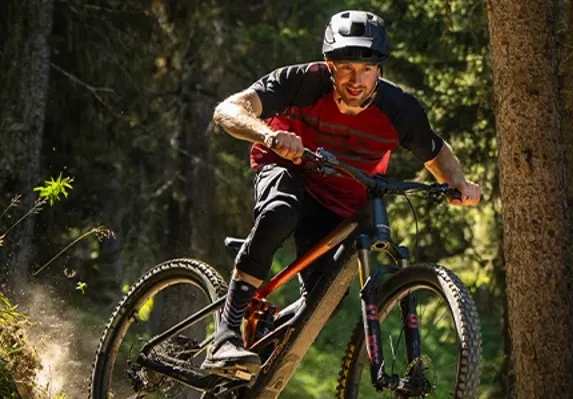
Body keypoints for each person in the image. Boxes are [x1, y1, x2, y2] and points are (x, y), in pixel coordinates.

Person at [203, 10, 481, 377]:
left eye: (367, 69)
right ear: (329, 64)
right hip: (288, 171)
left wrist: (458, 183)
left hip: (339, 200)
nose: (356, 79)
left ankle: (254, 363)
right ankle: (223, 337)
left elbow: (435, 151)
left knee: (324, 300)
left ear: (379, 69)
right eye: (347, 66)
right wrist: (269, 135)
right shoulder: (301, 82)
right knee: (280, 211)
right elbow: (228, 111)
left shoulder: (399, 110)